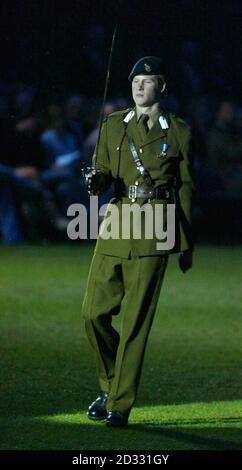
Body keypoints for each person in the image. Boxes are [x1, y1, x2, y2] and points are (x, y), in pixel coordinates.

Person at [82, 56, 194, 427]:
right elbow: (103, 171)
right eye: (135, 81)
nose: (138, 87)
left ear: (161, 86)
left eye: (146, 81)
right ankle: (110, 385)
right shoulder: (113, 124)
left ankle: (119, 404)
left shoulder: (177, 131)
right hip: (118, 219)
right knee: (93, 313)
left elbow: (186, 187)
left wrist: (186, 240)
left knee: (135, 324)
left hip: (156, 224)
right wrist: (96, 182)